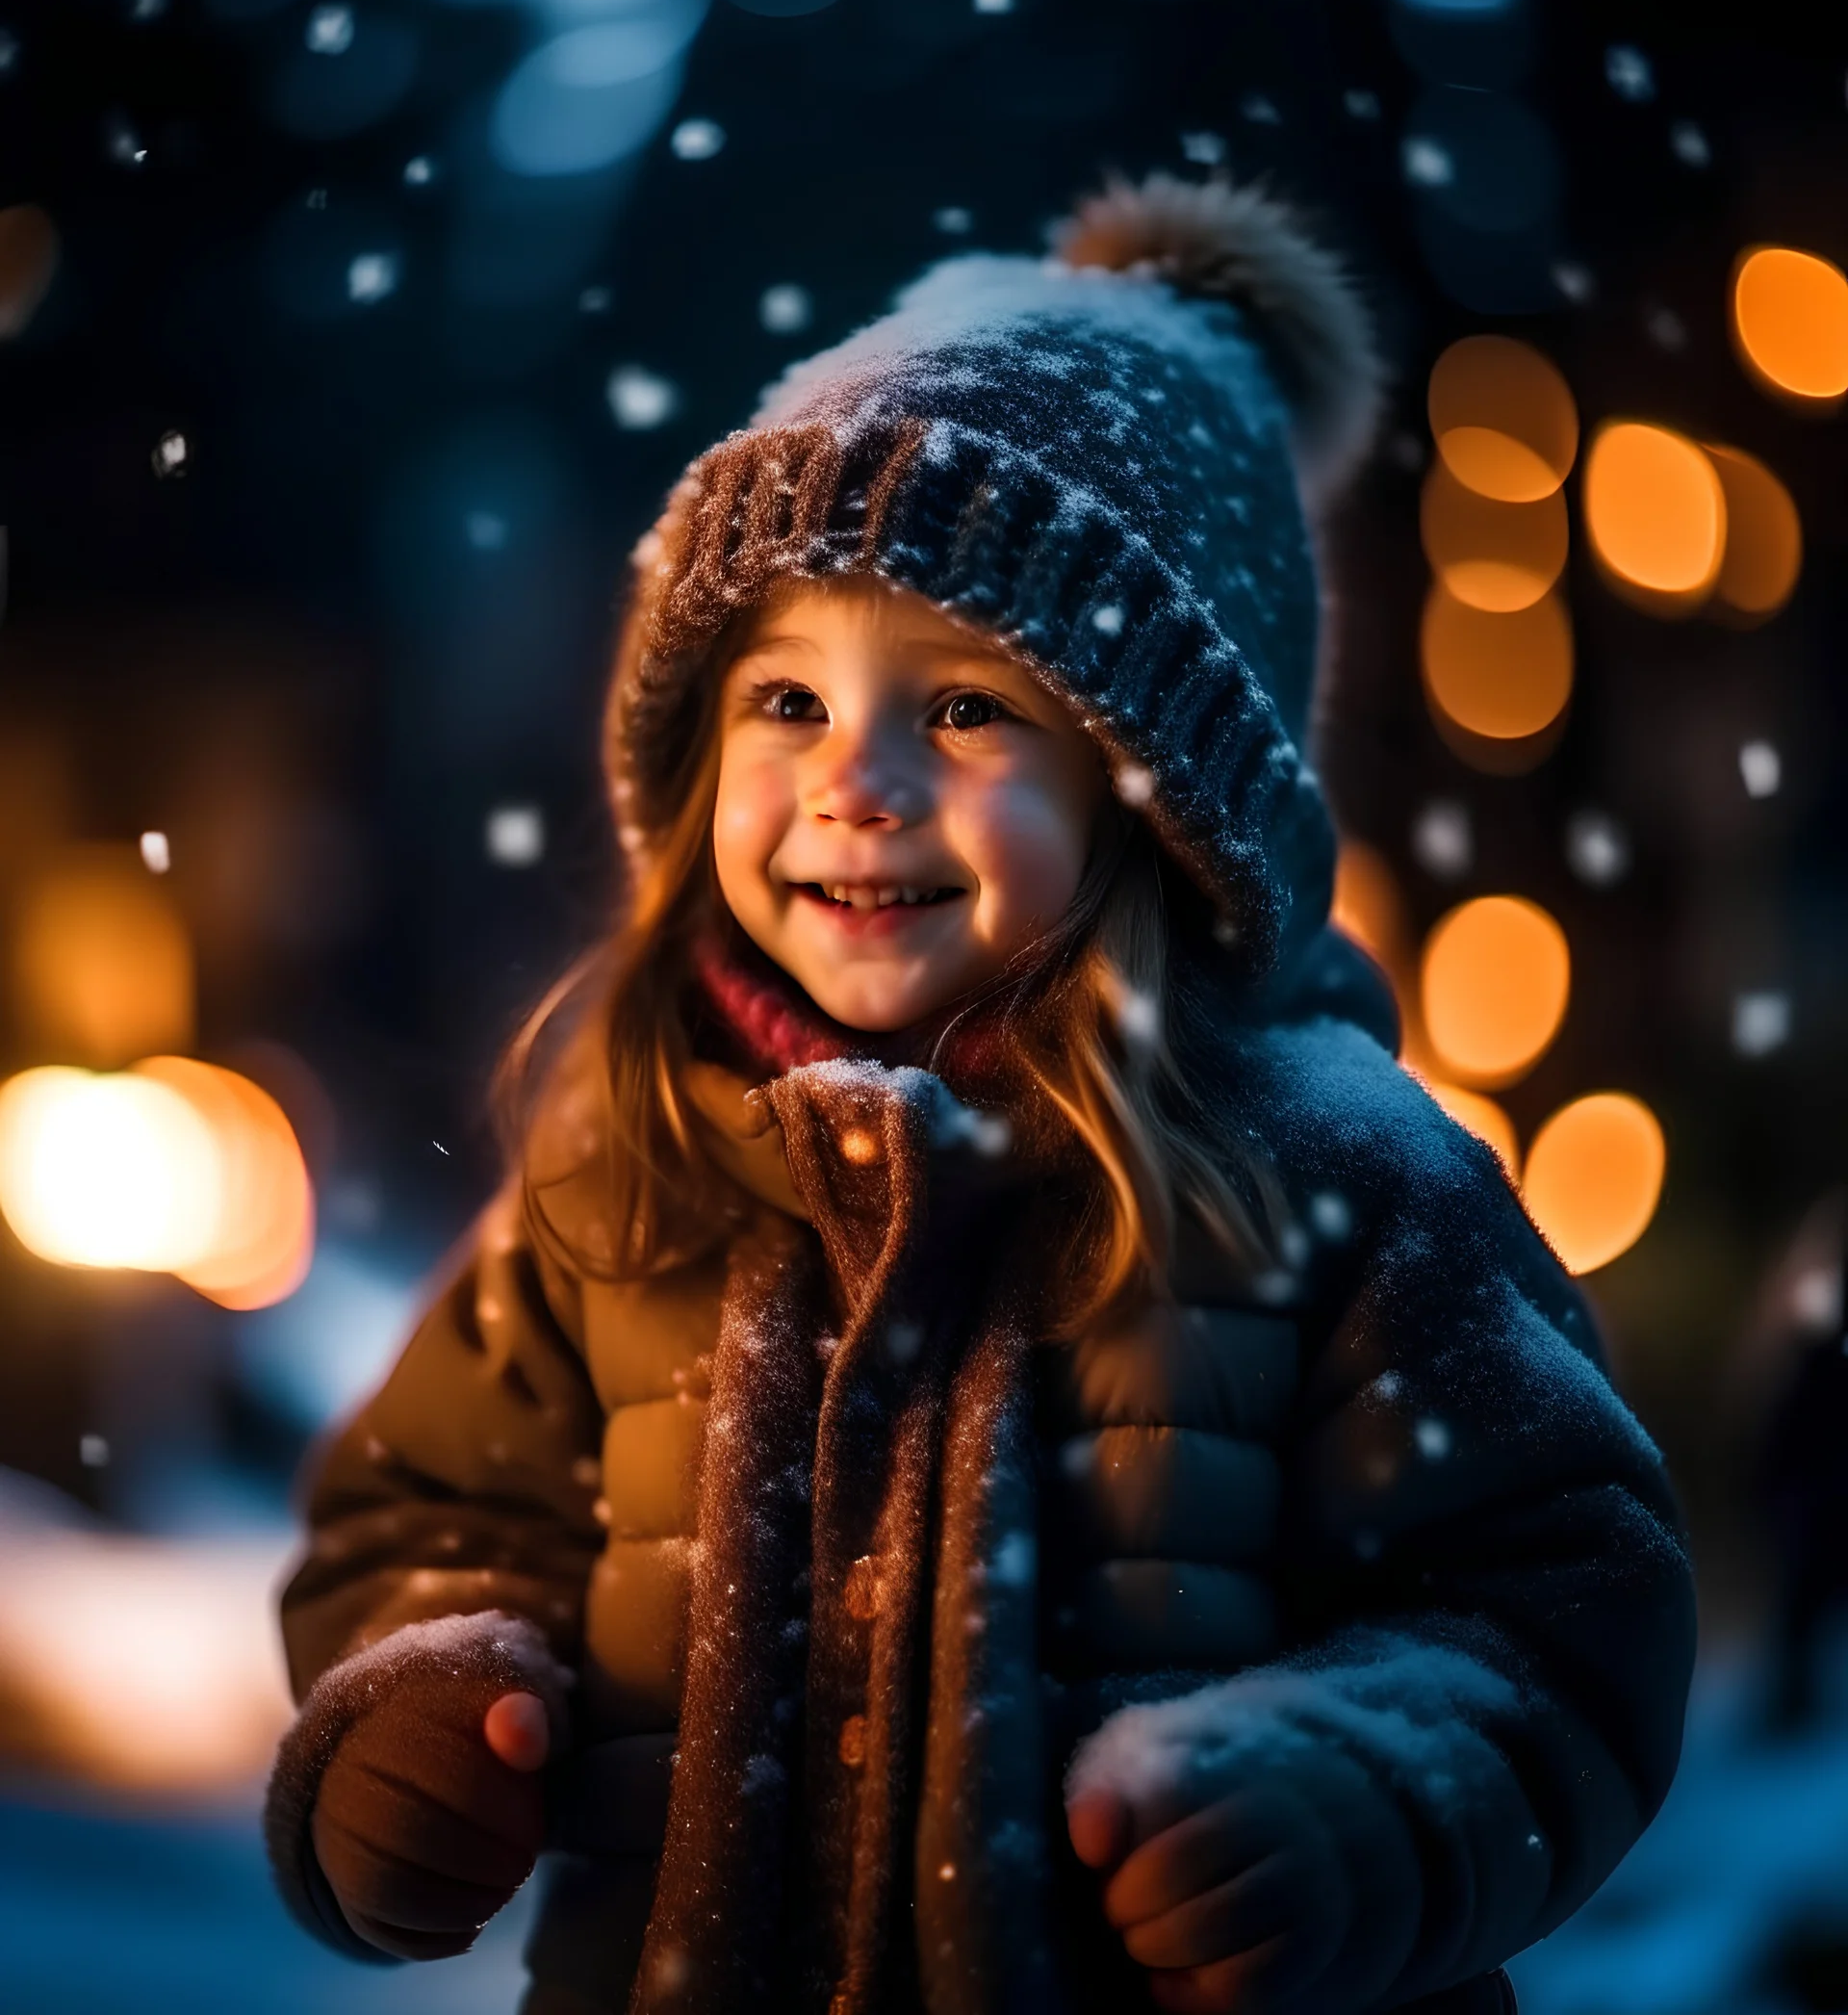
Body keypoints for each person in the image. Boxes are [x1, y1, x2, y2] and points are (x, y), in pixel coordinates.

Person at [265, 174, 1697, 2015]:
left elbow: (1566, 1605)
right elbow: (412, 1524)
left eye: (960, 709)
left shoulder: (1340, 1180)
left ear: (1154, 788)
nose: (855, 784)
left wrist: (1369, 1807)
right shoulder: (631, 1172)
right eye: (783, 701)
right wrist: (412, 1722)